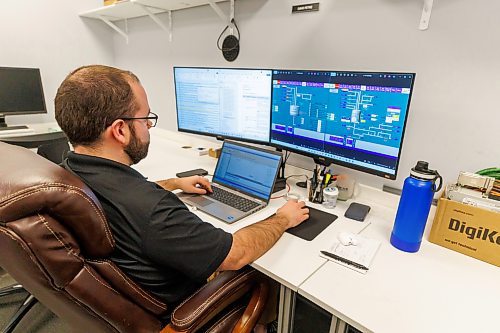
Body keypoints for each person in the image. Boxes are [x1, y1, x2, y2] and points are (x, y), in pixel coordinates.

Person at [54, 65, 309, 324]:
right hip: (183, 307)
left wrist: (174, 183)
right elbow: (236, 253)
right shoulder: (153, 210)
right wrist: (283, 218)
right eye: (145, 119)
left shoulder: (70, 170)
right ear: (120, 130)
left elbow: (130, 198)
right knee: (267, 276)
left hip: (129, 293)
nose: (149, 128)